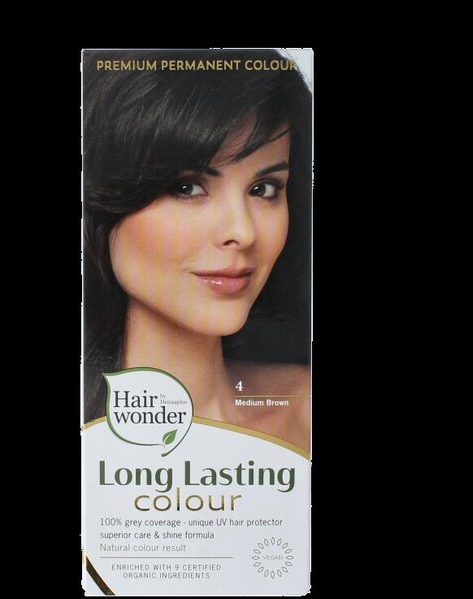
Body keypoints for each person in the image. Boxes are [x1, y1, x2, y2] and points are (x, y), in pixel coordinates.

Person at [82, 49, 311, 451]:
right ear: (101, 198)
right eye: (187, 187)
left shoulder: (303, 410)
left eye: (263, 189)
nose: (243, 232)